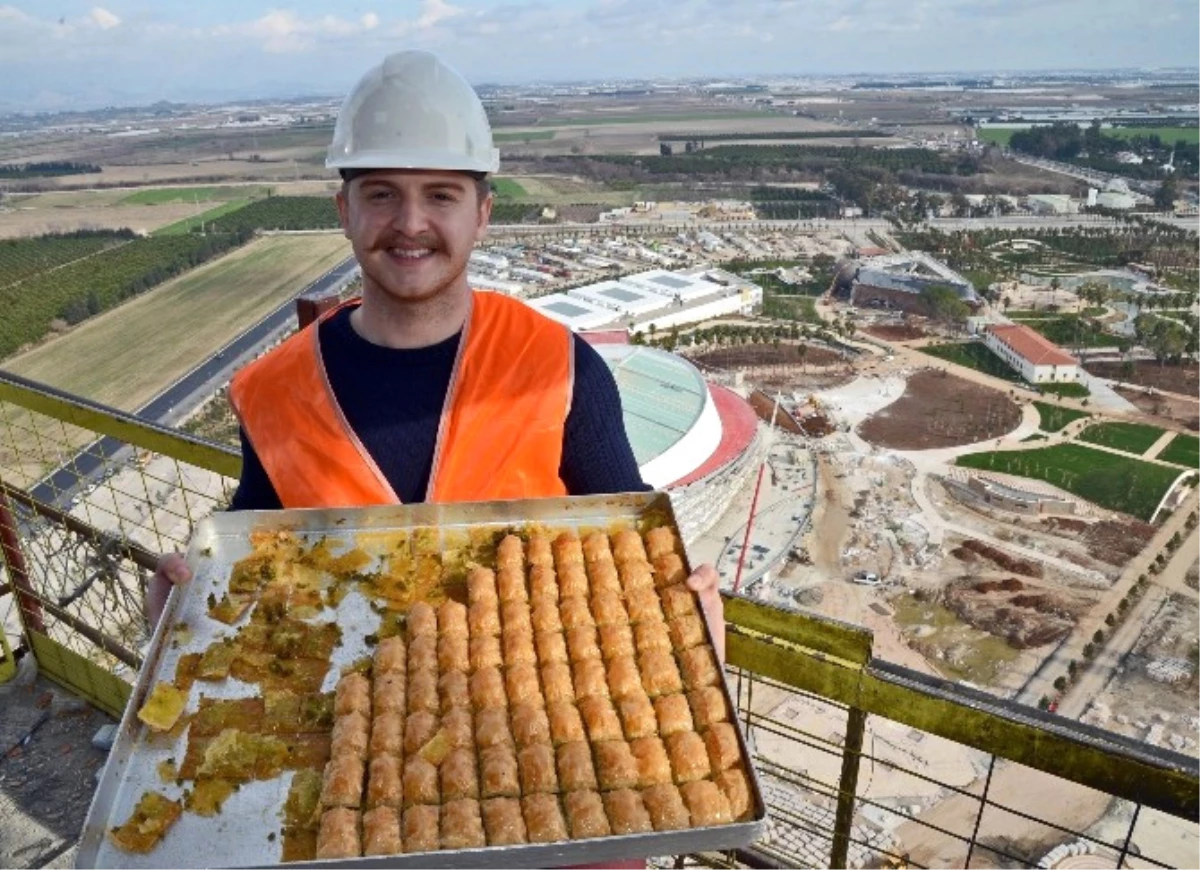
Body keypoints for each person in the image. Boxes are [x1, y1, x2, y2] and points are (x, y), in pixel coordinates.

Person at [147, 49, 723, 658]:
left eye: (442, 195)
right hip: (345, 723)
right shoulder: (272, 393)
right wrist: (187, 617)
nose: (411, 222)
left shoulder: (560, 368)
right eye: (382, 195)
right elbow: (255, 581)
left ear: (482, 215)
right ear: (346, 211)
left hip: (528, 710)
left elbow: (631, 563)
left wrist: (691, 632)